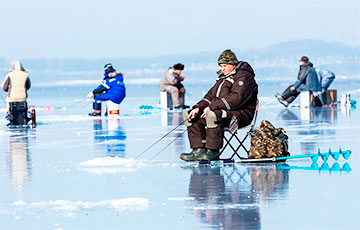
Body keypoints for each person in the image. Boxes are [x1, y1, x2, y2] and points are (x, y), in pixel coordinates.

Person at [180, 49, 258, 162]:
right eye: (221, 66)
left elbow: (237, 99)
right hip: (224, 112)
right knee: (191, 116)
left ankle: (213, 151)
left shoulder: (244, 77)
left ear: (233, 64)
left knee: (213, 115)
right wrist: (198, 107)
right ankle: (198, 150)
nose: (222, 69)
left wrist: (212, 107)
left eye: (225, 65)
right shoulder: (223, 78)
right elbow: (209, 96)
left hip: (241, 115)